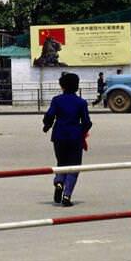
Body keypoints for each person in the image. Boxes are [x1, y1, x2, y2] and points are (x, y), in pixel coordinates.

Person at [42, 72, 92, 207]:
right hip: (75, 137)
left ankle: (59, 182)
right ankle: (67, 195)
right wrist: (82, 131)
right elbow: (87, 122)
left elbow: (49, 116)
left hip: (59, 135)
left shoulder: (56, 100)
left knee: (61, 163)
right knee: (74, 166)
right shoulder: (81, 102)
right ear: (77, 86)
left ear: (61, 85)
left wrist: (47, 126)